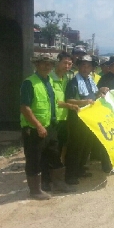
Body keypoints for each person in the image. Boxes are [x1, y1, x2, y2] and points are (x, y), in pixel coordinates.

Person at [20, 53, 76, 199]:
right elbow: (25, 108)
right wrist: (38, 126)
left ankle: (58, 183)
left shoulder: (49, 80)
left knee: (54, 155)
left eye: (49, 63)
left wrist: (68, 105)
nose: (47, 66)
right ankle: (35, 191)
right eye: (43, 63)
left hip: (51, 126)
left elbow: (54, 102)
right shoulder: (29, 83)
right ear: (36, 65)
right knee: (34, 159)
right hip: (33, 129)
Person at [65, 55, 109, 184]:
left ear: (92, 68)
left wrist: (100, 91)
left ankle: (80, 169)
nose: (85, 68)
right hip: (77, 120)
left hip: (89, 120)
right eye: (83, 65)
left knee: (86, 146)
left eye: (88, 66)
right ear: (78, 67)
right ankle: (70, 175)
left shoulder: (90, 81)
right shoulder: (73, 82)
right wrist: (84, 101)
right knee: (75, 147)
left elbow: (94, 95)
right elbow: (69, 100)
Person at [50, 52, 76, 166]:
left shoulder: (66, 78)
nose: (67, 66)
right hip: (52, 118)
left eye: (69, 64)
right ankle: (49, 174)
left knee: (62, 144)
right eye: (64, 63)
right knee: (52, 147)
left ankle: (57, 169)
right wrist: (68, 105)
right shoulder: (49, 78)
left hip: (64, 117)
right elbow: (51, 101)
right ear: (57, 62)